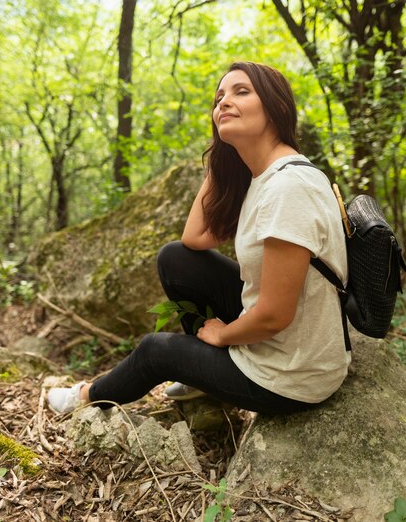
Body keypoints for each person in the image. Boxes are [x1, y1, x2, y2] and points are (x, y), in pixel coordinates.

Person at [48, 61, 350, 416]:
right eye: (220, 96)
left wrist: (221, 335)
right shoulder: (265, 175)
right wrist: (224, 158)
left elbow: (274, 315)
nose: (223, 102)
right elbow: (193, 239)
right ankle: (205, 375)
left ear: (276, 107)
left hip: (294, 373)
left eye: (241, 92)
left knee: (155, 351)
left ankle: (84, 396)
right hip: (282, 340)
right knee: (175, 259)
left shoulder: (289, 187)